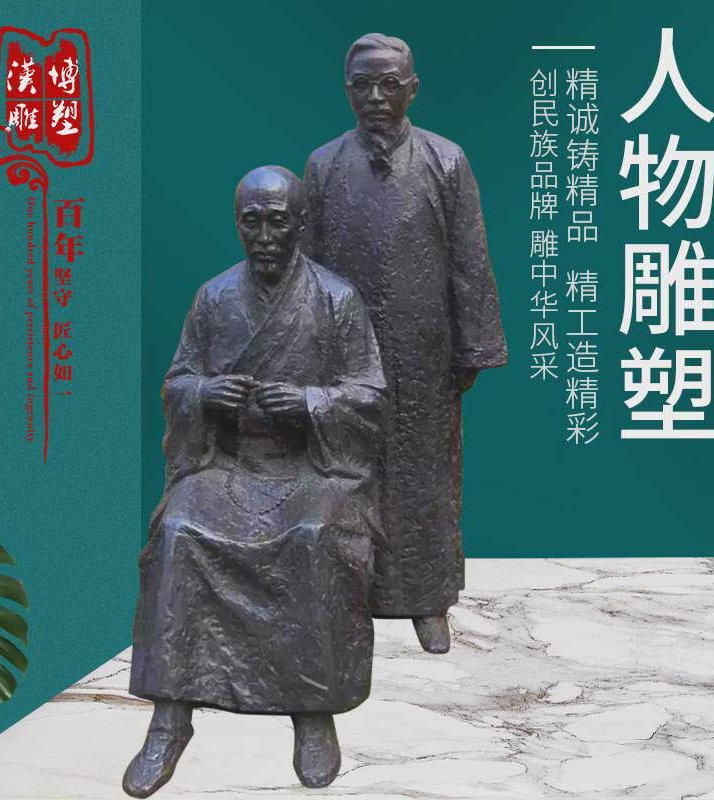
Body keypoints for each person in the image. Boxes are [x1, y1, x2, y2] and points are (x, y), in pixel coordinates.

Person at [124, 166, 386, 797]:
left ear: (300, 225)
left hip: (311, 468)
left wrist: (312, 403)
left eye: (277, 221)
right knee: (180, 529)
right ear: (237, 224)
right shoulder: (214, 298)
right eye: (252, 222)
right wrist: (203, 394)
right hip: (229, 464)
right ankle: (169, 716)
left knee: (314, 535)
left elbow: (370, 394)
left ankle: (312, 712)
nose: (265, 236)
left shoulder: (336, 299)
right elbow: (177, 381)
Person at [303, 33, 507, 654]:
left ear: (412, 89)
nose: (375, 96)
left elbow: (470, 259)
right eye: (362, 84)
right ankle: (345, 597)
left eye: (389, 83)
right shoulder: (324, 165)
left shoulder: (446, 161)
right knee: (344, 474)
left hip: (425, 352)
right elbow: (306, 265)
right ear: (346, 90)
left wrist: (474, 347)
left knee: (425, 476)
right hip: (345, 354)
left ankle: (427, 598)